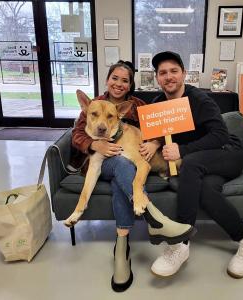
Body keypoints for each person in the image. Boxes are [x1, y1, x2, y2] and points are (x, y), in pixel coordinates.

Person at [72, 60, 196, 292]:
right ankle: (155, 220)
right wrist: (95, 145)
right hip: (101, 163)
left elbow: (157, 128)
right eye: (114, 78)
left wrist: (154, 142)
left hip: (127, 161)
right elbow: (77, 135)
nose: (119, 84)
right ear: (107, 80)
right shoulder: (94, 105)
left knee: (124, 164)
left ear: (130, 85)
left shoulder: (138, 106)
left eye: (125, 80)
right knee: (120, 162)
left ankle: (121, 249)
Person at [149, 52, 243, 279]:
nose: (168, 77)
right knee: (204, 189)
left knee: (189, 163)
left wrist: (183, 150)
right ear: (157, 78)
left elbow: (220, 135)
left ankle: (180, 242)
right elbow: (159, 133)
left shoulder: (199, 99)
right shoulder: (158, 104)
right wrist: (153, 141)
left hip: (227, 153)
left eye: (174, 71)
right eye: (163, 73)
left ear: (183, 74)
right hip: (202, 165)